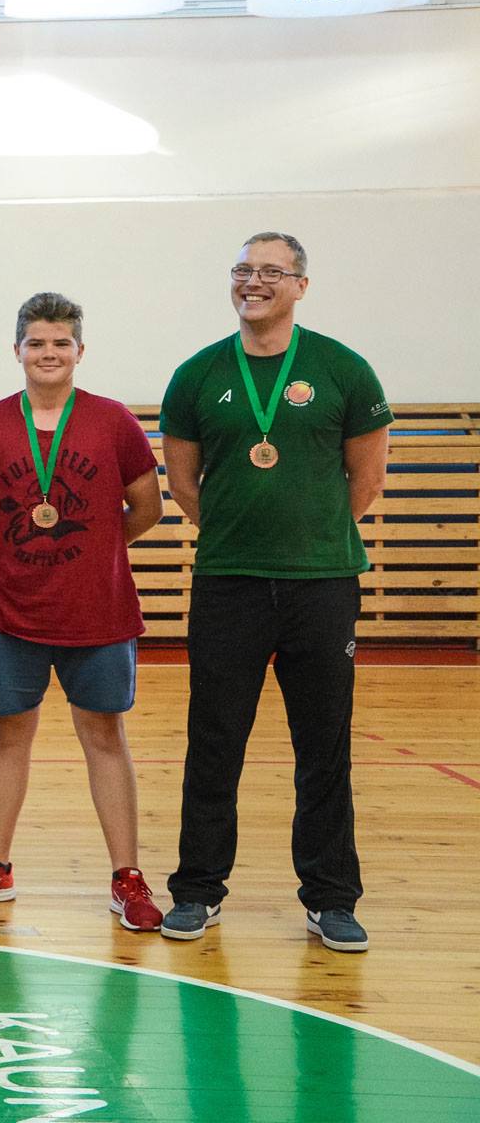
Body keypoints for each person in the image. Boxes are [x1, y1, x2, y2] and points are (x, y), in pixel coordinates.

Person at [161, 233, 390, 953]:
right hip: (228, 583)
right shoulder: (197, 374)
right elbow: (184, 484)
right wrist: (243, 535)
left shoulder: (343, 369)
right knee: (214, 742)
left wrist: (311, 538)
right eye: (243, 270)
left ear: (300, 285)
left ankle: (331, 899)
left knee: (323, 746)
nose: (253, 282)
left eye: (270, 271)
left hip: (322, 585)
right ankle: (197, 890)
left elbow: (366, 480)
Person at [0, 293, 165, 932]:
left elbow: (146, 506)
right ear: (17, 350)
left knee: (105, 737)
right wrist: (23, 556)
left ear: (80, 351)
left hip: (97, 613)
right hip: (8, 613)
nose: (48, 353)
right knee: (9, 735)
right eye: (36, 343)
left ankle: (126, 875)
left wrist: (96, 550)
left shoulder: (113, 421)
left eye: (60, 343)